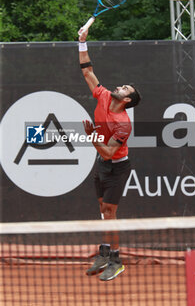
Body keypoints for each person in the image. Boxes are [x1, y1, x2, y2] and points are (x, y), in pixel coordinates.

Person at [78, 27, 141, 281]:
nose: (119, 86)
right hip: (102, 165)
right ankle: (104, 254)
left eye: (125, 88)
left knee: (110, 211)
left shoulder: (123, 123)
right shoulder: (103, 96)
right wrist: (82, 42)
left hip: (116, 167)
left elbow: (107, 152)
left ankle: (116, 259)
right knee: (103, 211)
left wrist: (92, 134)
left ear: (127, 100)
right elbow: (88, 71)